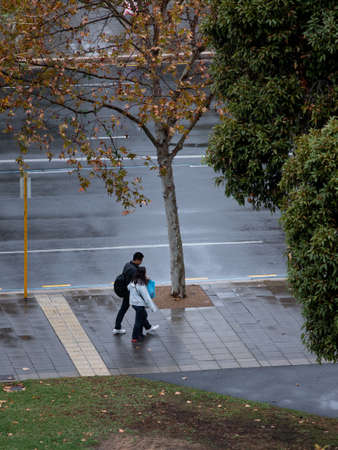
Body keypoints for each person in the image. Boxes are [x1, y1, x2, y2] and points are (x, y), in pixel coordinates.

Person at [112, 252, 144, 334]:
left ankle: (117, 327)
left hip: (125, 291)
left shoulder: (127, 264)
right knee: (140, 310)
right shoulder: (134, 270)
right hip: (129, 293)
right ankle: (147, 327)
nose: (141, 262)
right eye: (141, 260)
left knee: (123, 309)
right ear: (137, 260)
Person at [128, 267, 159, 343]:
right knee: (138, 321)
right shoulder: (141, 285)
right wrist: (153, 308)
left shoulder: (133, 281)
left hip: (133, 303)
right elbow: (147, 298)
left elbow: (128, 288)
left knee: (143, 315)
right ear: (143, 274)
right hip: (139, 305)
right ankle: (134, 337)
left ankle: (141, 333)